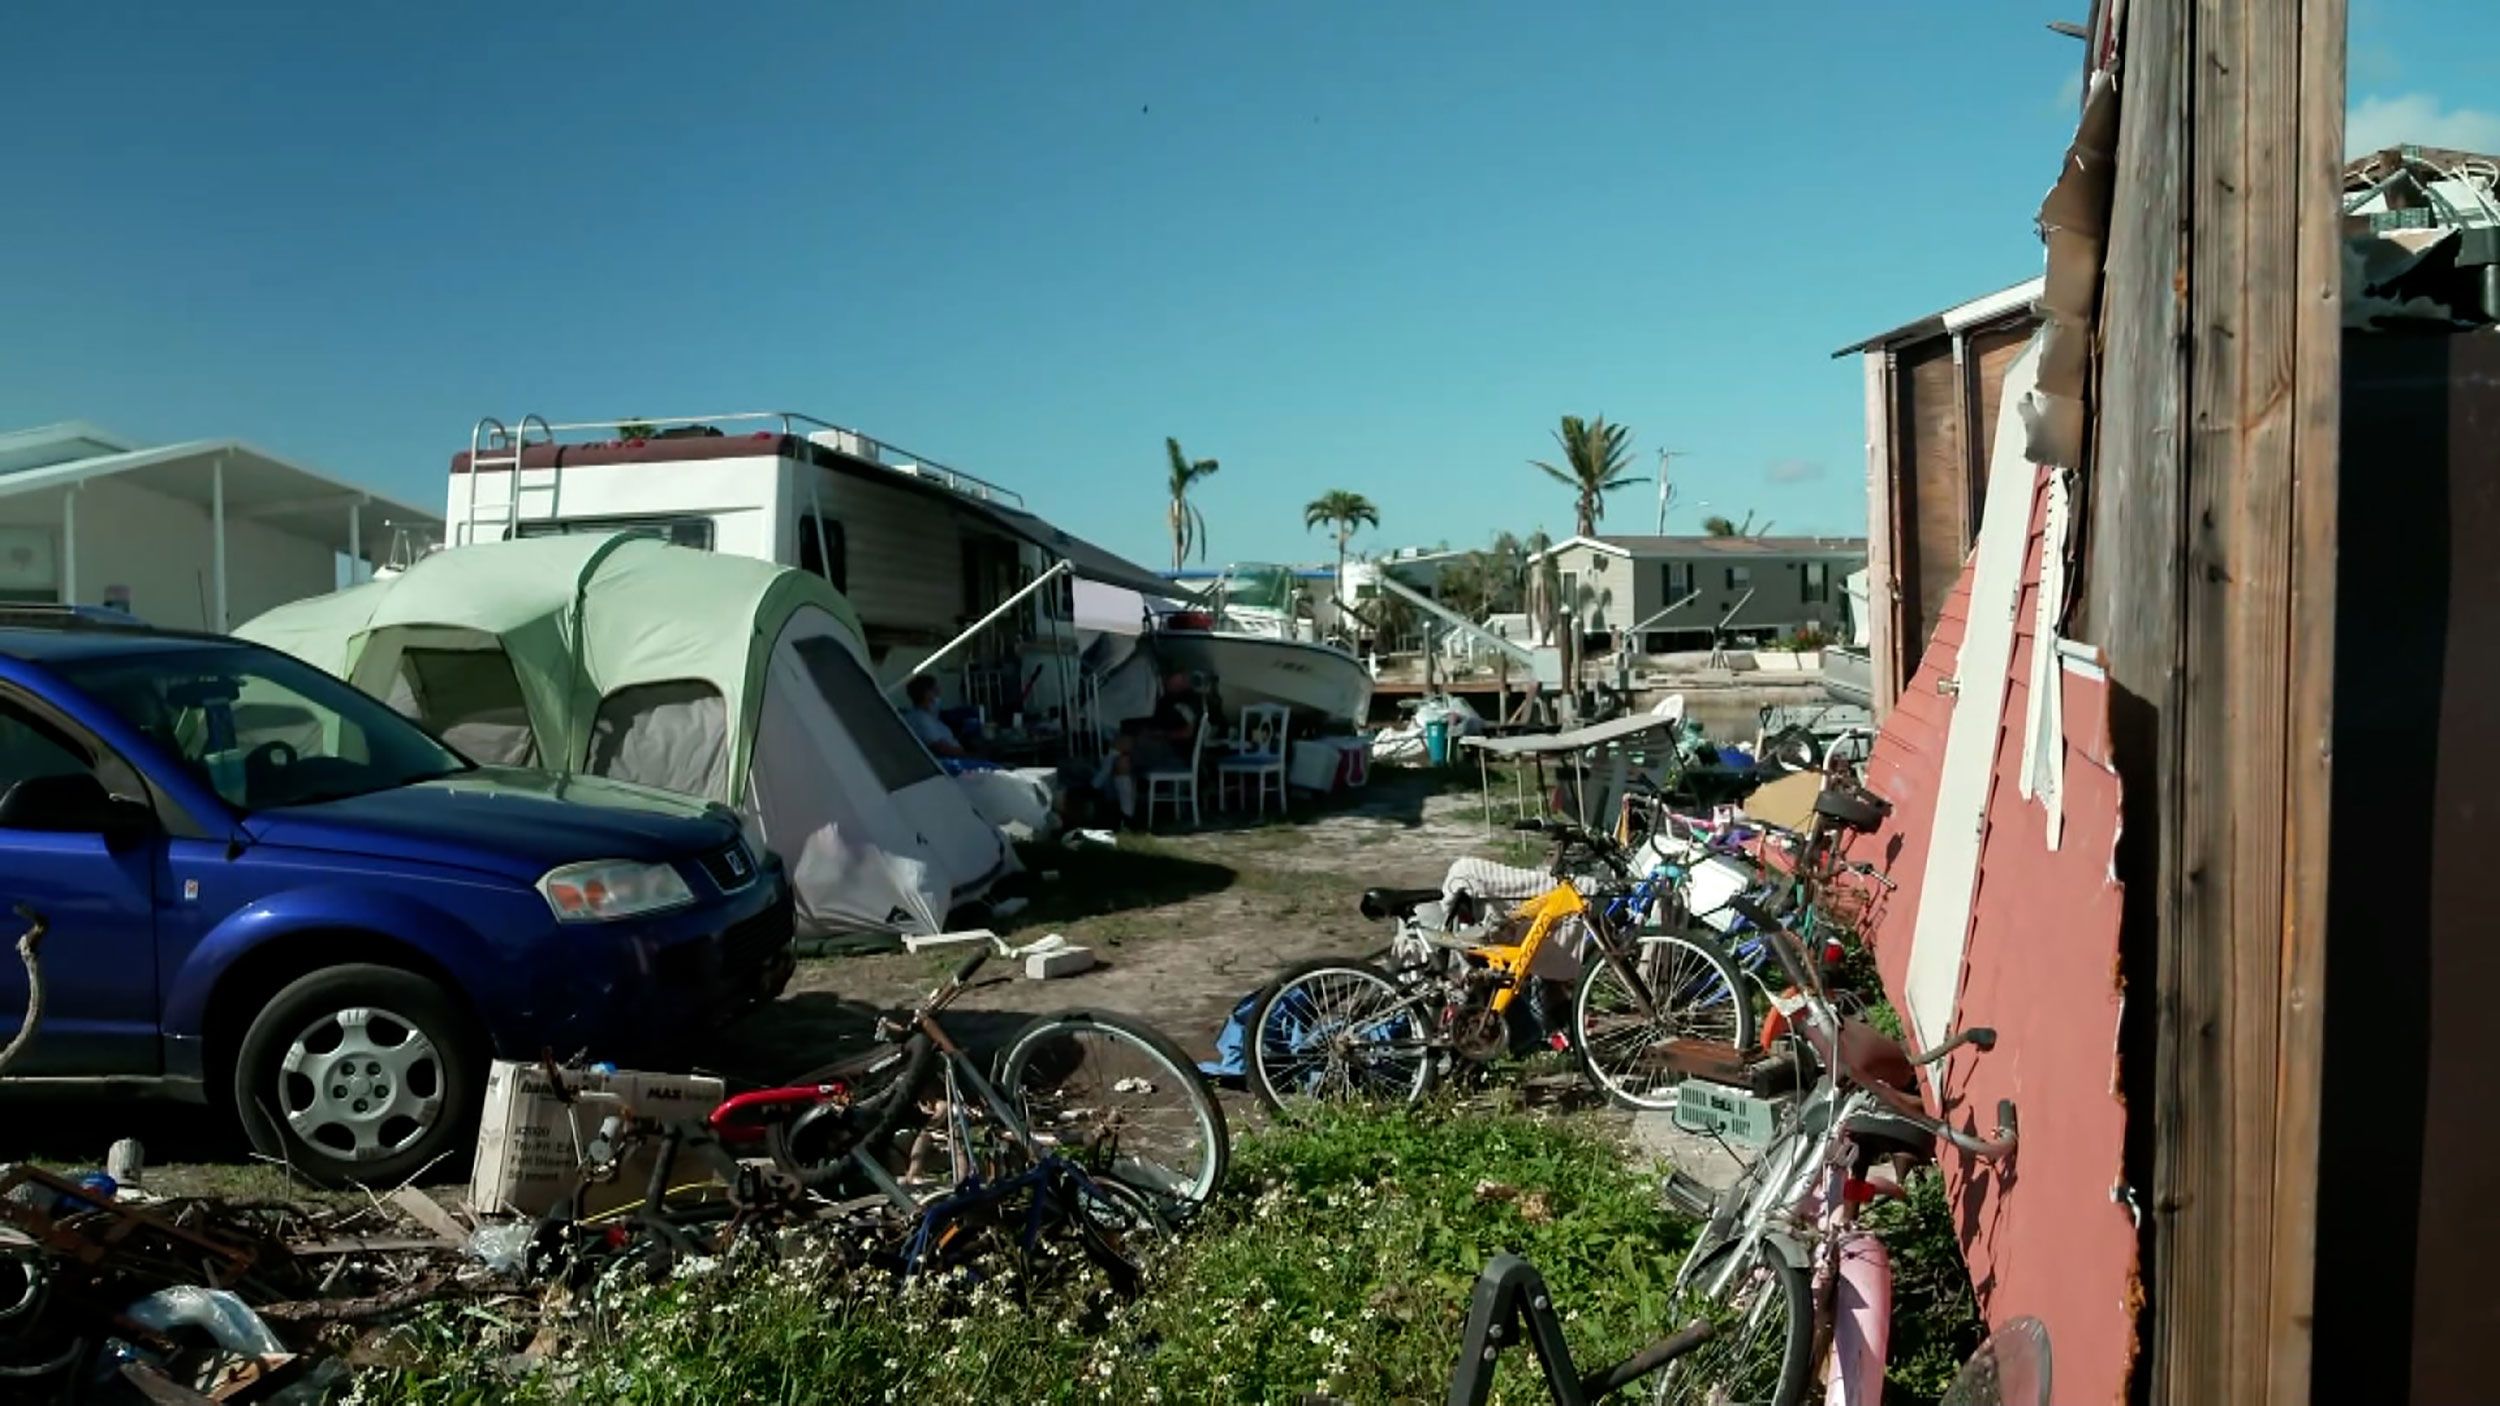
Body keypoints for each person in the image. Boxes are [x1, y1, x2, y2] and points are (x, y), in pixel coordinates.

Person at [901, 675, 968, 759]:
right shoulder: (921, 720)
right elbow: (941, 749)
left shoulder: (929, 718)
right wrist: (968, 754)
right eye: (936, 692)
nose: (939, 696)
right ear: (927, 694)